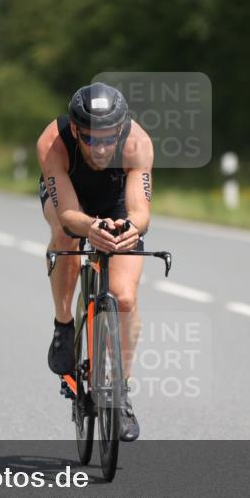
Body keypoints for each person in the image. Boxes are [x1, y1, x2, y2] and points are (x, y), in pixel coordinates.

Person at [37, 83, 154, 442]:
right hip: (71, 200)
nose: (100, 148)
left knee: (124, 298)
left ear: (120, 131)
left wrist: (131, 230)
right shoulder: (53, 141)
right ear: (75, 130)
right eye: (90, 139)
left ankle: (121, 392)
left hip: (116, 199)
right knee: (64, 235)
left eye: (107, 139)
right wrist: (90, 227)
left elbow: (140, 210)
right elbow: (69, 212)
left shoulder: (137, 142)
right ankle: (63, 323)